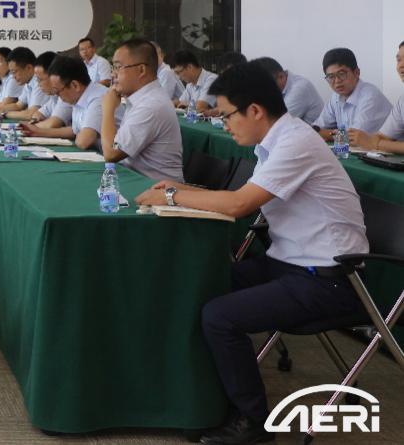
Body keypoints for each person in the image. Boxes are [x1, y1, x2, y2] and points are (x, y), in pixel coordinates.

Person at [135, 64, 368, 445]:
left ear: (256, 110)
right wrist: (181, 188)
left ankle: (253, 420)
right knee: (195, 283)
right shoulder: (273, 143)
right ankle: (196, 396)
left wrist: (174, 196)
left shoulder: (296, 143)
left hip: (329, 279)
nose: (224, 124)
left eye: (228, 115)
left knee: (220, 315)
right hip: (287, 265)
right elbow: (242, 197)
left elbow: (239, 204)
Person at [99, 39, 183, 181]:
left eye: (118, 67)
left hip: (157, 188)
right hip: (138, 179)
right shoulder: (141, 98)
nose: (113, 74)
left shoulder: (151, 105)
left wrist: (108, 109)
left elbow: (111, 154)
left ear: (141, 70)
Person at [21, 56, 107, 150]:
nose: (58, 96)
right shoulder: (79, 97)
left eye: (58, 91)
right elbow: (75, 131)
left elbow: (83, 141)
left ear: (75, 85)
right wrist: (38, 132)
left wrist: (81, 135)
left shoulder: (97, 98)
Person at [315, 47, 392, 140]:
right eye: (331, 77)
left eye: (341, 74)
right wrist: (322, 132)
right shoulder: (335, 97)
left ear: (357, 72)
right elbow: (317, 128)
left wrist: (326, 133)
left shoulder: (370, 96)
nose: (337, 81)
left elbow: (354, 138)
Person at [347, 41, 404, 154]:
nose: (401, 65)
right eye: (399, 60)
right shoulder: (402, 101)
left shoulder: (370, 94)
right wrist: (370, 140)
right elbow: (382, 136)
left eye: (341, 74)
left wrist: (375, 143)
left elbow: (374, 142)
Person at [251, 56, 323, 125]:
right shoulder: (280, 89)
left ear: (281, 76)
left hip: (318, 132)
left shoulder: (299, 89)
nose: (265, 90)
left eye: (266, 85)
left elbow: (276, 124)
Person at [7, 51, 72, 126]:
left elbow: (51, 124)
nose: (38, 83)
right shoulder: (54, 98)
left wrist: (29, 126)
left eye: (40, 79)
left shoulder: (67, 97)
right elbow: (37, 115)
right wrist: (34, 123)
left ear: (54, 77)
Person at [0, 47, 36, 115]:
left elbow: (30, 114)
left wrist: (3, 114)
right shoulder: (28, 84)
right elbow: (18, 105)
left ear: (29, 68)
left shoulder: (38, 83)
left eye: (14, 72)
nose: (13, 76)